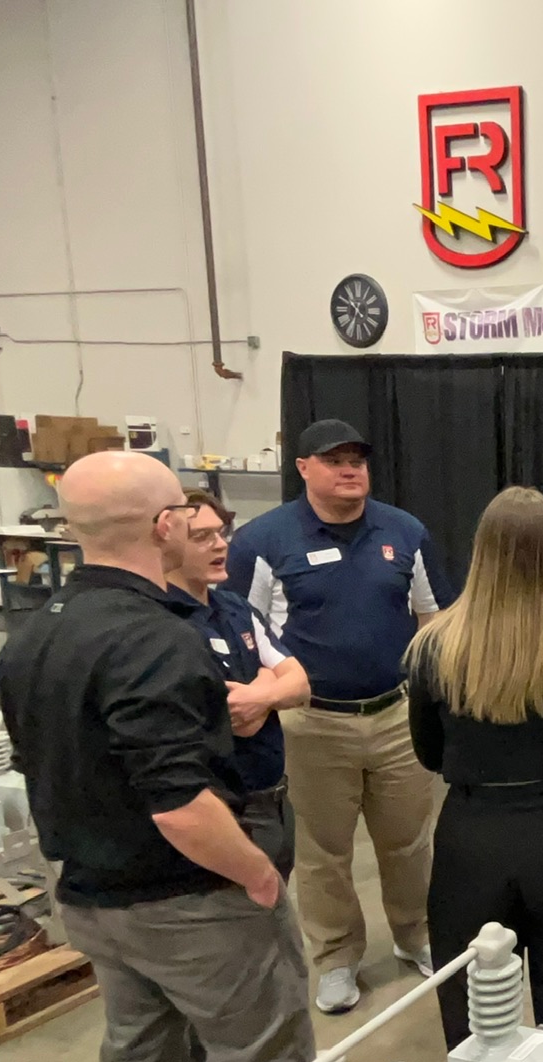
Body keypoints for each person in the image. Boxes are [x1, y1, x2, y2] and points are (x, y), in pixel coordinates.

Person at [0, 451, 311, 1062]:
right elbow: (180, 805)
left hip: (96, 900)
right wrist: (257, 873)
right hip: (192, 904)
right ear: (163, 525)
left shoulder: (35, 633)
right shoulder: (156, 640)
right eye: (186, 515)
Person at [226, 418, 449, 1014]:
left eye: (357, 460)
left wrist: (431, 694)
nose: (350, 470)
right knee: (324, 852)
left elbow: (433, 618)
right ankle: (335, 959)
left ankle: (416, 936)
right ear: (303, 468)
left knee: (408, 842)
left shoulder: (404, 532)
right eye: (334, 460)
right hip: (311, 723)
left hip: (396, 716)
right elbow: (240, 632)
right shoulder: (263, 541)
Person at [405, 488, 543, 1042]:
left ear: (481, 551)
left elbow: (429, 754)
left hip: (471, 839)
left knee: (474, 1016)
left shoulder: (433, 647)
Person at [165, 489, 309, 873]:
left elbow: (299, 684)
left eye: (221, 532)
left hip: (272, 798)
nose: (220, 545)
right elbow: (234, 719)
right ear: (165, 542)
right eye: (202, 537)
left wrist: (261, 693)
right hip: (224, 809)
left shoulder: (235, 608)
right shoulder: (165, 623)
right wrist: (269, 683)